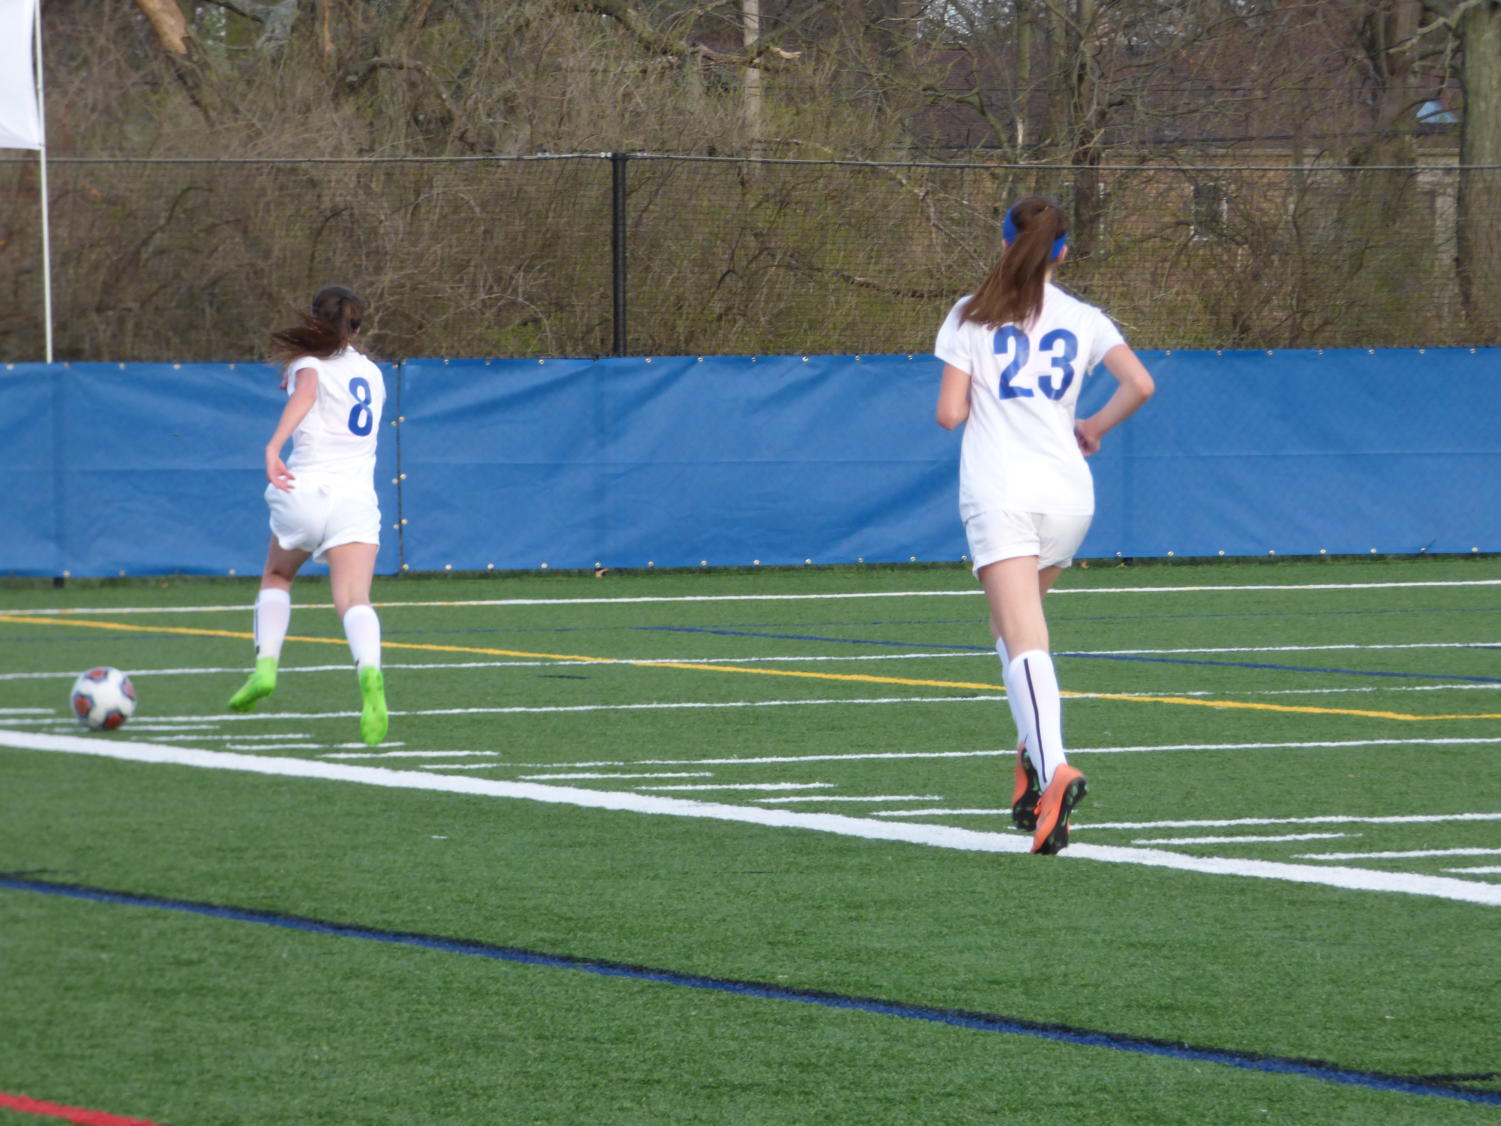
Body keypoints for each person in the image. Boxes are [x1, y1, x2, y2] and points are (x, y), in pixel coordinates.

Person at [934, 196, 1154, 854]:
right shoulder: (1083, 318)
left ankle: (1053, 765)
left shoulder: (971, 313)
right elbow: (1139, 384)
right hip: (1067, 495)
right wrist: (1090, 425)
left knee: (1024, 638)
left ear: (1004, 244)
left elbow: (949, 414)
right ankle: (1033, 761)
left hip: (1001, 490)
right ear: (1062, 251)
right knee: (1011, 631)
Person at [227, 285, 389, 746]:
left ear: (314, 321)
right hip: (355, 500)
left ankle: (266, 667)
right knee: (355, 599)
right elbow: (322, 387)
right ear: (358, 327)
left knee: (277, 575)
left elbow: (311, 389)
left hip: (307, 490)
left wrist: (274, 444)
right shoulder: (374, 374)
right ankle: (371, 675)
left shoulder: (308, 364)